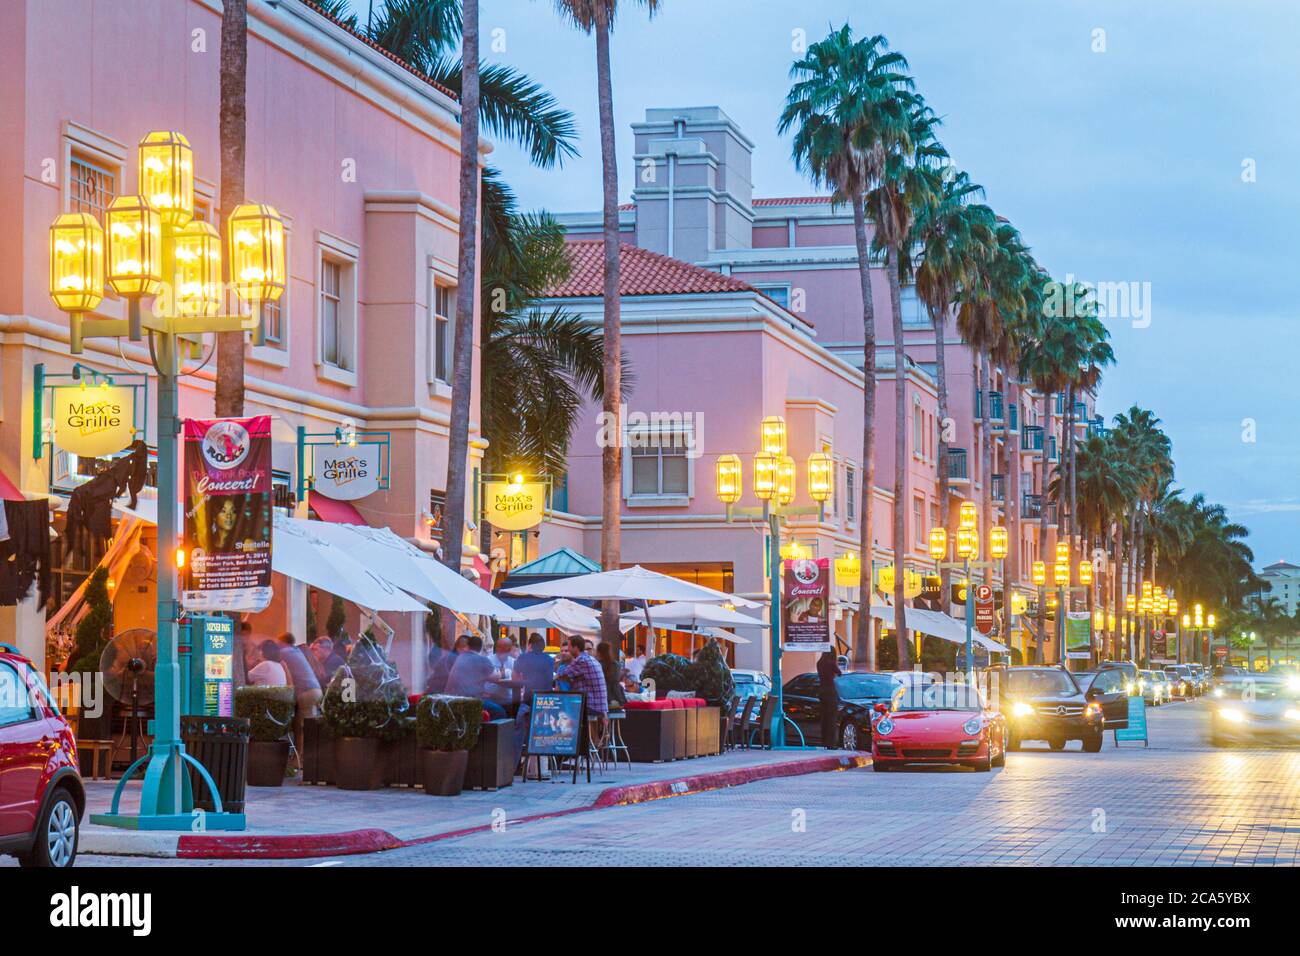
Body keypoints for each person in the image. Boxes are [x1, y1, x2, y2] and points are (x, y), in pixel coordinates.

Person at [556, 634, 608, 745]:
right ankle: (593, 742)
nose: (568, 650)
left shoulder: (581, 660)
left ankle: (570, 747)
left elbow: (562, 674)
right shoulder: (589, 658)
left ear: (575, 647)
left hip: (592, 705)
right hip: (599, 704)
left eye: (569, 647)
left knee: (562, 713)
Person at [279, 633, 322, 758]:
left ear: (283, 642)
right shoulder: (296, 651)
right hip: (315, 690)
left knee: (304, 728)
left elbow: (268, 658)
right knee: (301, 726)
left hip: (306, 692)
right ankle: (300, 758)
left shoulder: (284, 652)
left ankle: (304, 760)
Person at [445, 634, 509, 719]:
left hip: (450, 700)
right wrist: (501, 672)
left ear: (468, 646)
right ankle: (485, 732)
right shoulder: (482, 660)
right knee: (500, 712)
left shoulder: (460, 657)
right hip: (468, 701)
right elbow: (495, 677)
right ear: (481, 648)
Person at [513, 633, 555, 704]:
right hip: (547, 698)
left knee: (521, 714)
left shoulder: (523, 657)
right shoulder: (550, 659)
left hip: (530, 697)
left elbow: (514, 676)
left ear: (530, 645)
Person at [817, 650, 842, 749]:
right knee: (832, 719)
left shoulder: (819, 663)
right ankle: (831, 743)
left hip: (822, 691)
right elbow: (839, 673)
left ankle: (824, 742)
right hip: (830, 692)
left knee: (824, 718)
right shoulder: (831, 663)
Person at [595, 641, 627, 711]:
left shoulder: (596, 665)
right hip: (616, 700)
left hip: (601, 701)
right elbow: (615, 683)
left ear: (599, 652)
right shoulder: (615, 665)